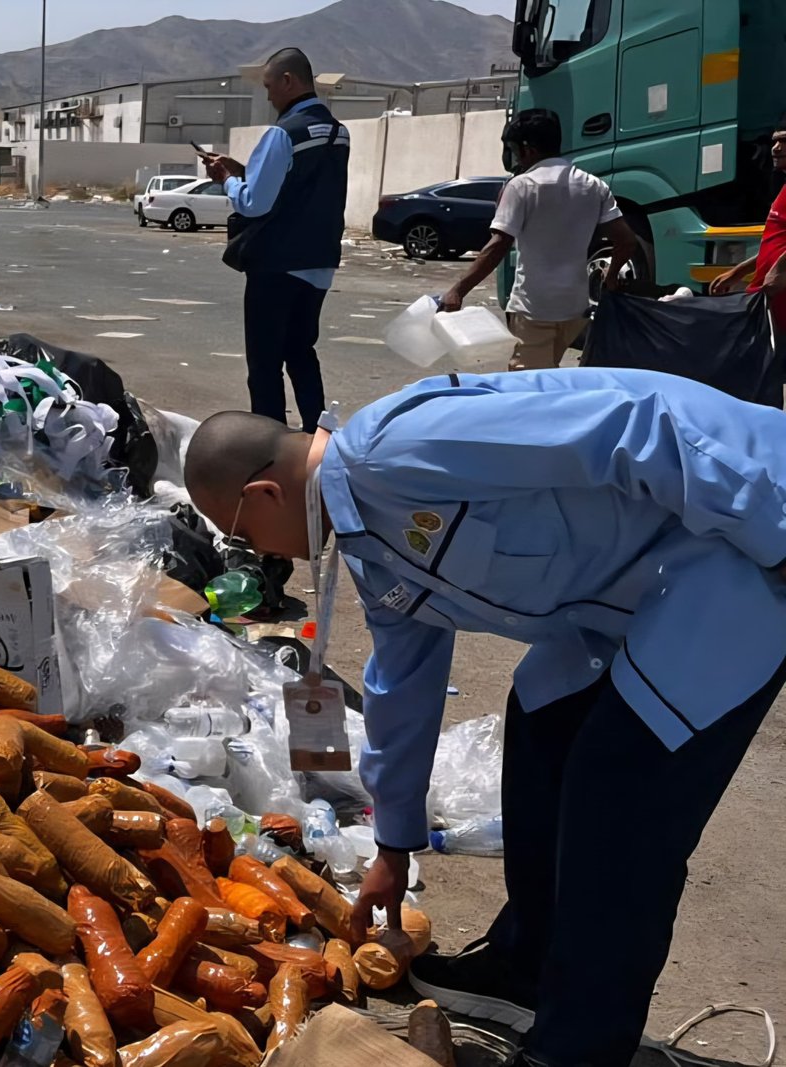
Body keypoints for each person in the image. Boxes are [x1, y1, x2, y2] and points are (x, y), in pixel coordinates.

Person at [182, 368, 786, 1067]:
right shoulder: (369, 544)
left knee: (616, 806)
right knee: (540, 728)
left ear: (265, 493)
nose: (263, 557)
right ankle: (527, 963)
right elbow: (401, 685)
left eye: (247, 535)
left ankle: (579, 1048)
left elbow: (637, 421)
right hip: (622, 599)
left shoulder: (401, 445)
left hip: (737, 556)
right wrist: (394, 841)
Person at [206, 48, 348, 432]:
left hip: (277, 265)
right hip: (319, 263)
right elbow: (302, 186)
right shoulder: (338, 132)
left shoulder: (282, 133)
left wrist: (228, 180)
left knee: (265, 363)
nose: (268, 96)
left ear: (288, 81)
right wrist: (245, 169)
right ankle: (318, 436)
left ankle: (269, 445)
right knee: (301, 353)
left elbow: (254, 203)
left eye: (270, 87)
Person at [440, 109, 639, 371]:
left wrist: (458, 290)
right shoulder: (593, 185)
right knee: (550, 377)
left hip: (534, 309)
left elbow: (498, 245)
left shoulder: (523, 186)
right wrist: (611, 277)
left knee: (527, 388)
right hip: (575, 309)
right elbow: (626, 240)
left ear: (528, 149)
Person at [711, 118, 786, 337]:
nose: (775, 148)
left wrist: (780, 271)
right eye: (774, 141)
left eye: (784, 141)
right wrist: (739, 271)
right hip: (767, 295)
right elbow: (776, 241)